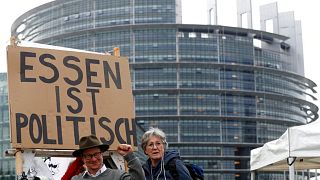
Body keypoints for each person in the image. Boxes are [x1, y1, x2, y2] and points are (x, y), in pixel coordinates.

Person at [66, 134, 144, 180]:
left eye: (96, 154)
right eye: (89, 156)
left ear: (102, 154)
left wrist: (130, 157)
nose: (93, 159)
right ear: (82, 158)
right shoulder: (76, 179)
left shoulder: (119, 176)